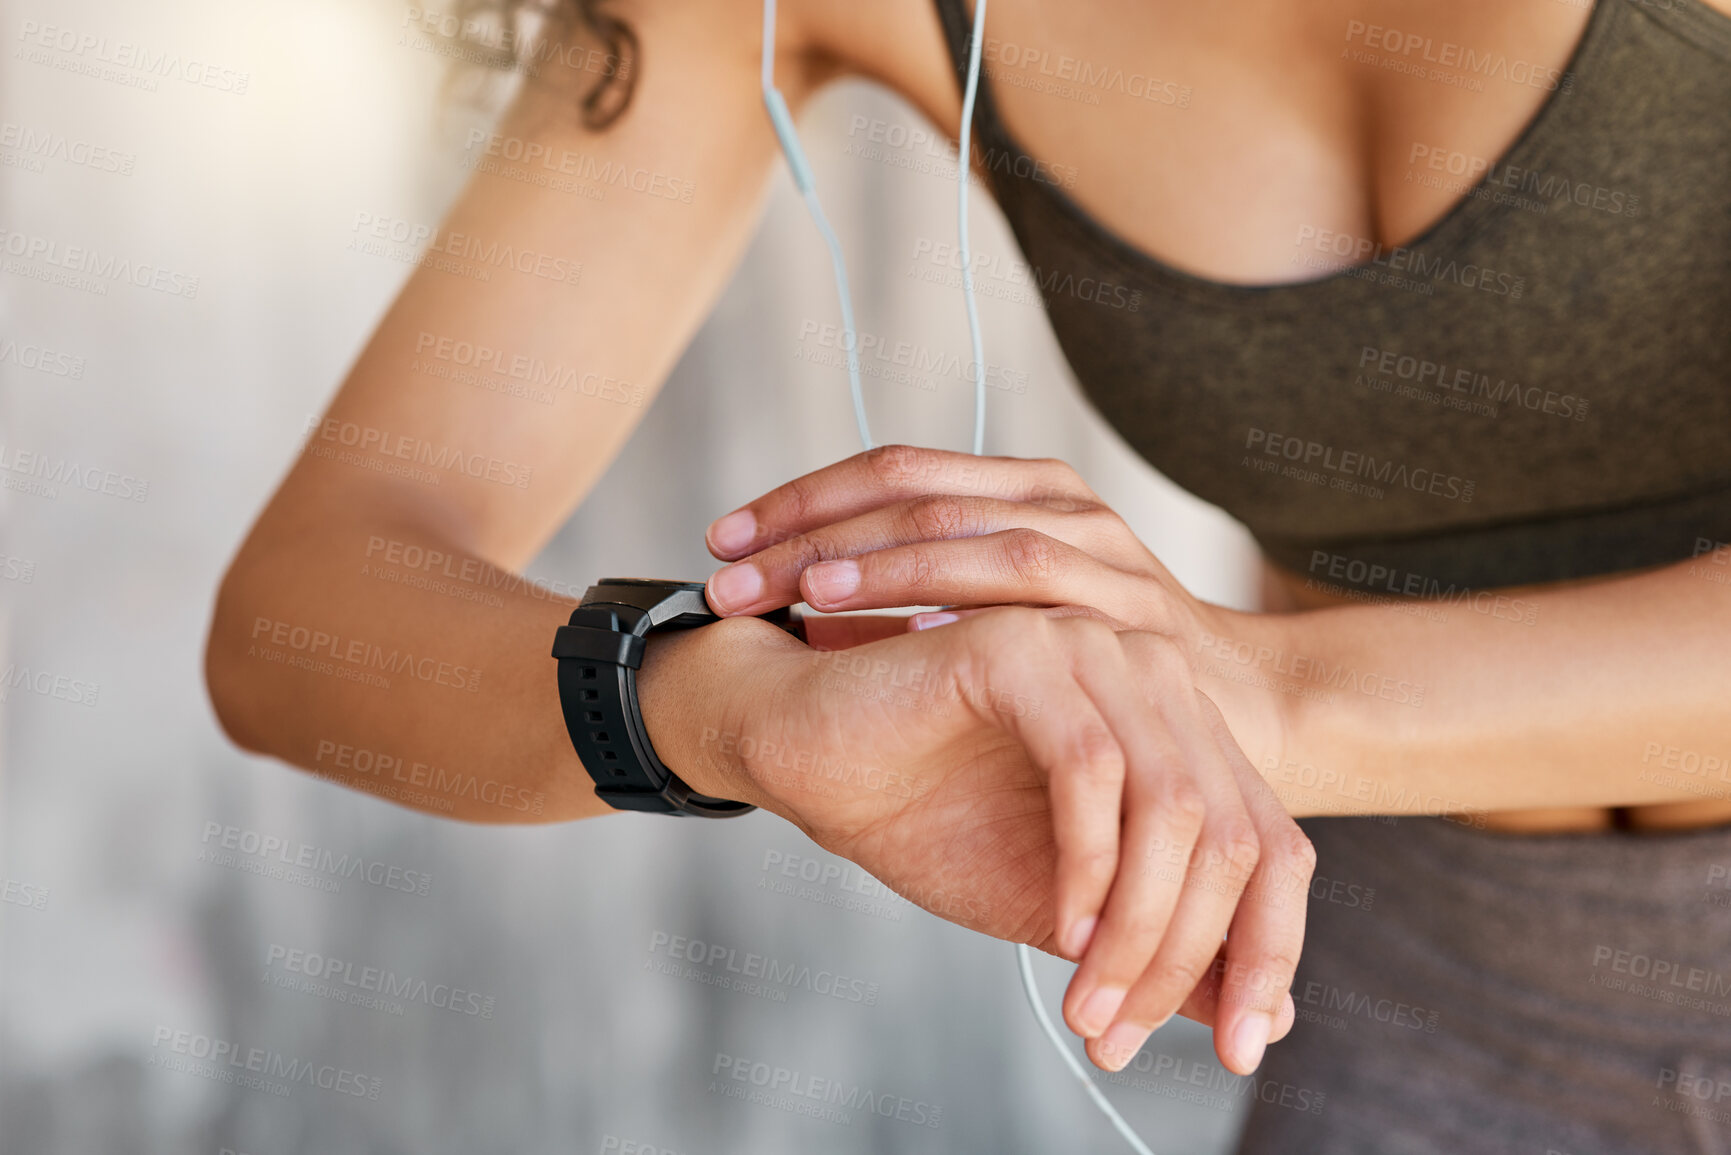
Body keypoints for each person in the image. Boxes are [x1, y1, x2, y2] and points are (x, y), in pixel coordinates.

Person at [204, 0, 1731, 1149]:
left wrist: (1252, 700)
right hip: (1415, 998)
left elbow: (1252, 704)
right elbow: (305, 615)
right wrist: (726, 705)